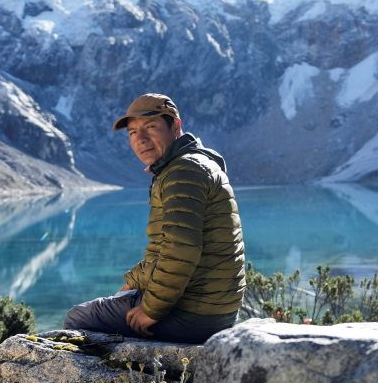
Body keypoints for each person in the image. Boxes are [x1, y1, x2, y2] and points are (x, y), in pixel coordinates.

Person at [62, 93, 245, 344]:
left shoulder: (183, 171)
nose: (141, 140)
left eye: (151, 127)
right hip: (213, 308)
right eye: (133, 132)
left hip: (194, 314)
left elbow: (180, 252)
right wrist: (133, 281)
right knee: (117, 302)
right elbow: (166, 250)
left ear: (176, 126)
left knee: (78, 318)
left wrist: (151, 309)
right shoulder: (188, 166)